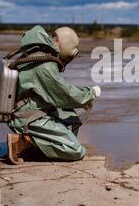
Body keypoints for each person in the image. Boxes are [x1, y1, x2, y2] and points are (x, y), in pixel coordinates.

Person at [6, 25, 101, 164]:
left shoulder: (35, 56)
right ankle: (23, 142)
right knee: (75, 151)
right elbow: (64, 94)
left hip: (24, 112)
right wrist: (90, 93)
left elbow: (58, 93)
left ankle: (38, 140)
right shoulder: (43, 64)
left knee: (69, 115)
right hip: (27, 117)